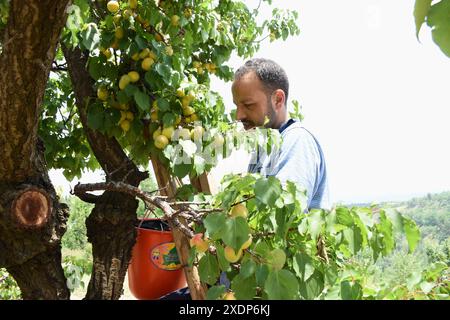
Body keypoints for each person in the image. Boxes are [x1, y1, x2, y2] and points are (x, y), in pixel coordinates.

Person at [232, 58, 330, 211]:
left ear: (278, 100)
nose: (239, 115)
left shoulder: (297, 141)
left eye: (248, 105)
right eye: (236, 106)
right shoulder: (262, 149)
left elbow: (283, 215)